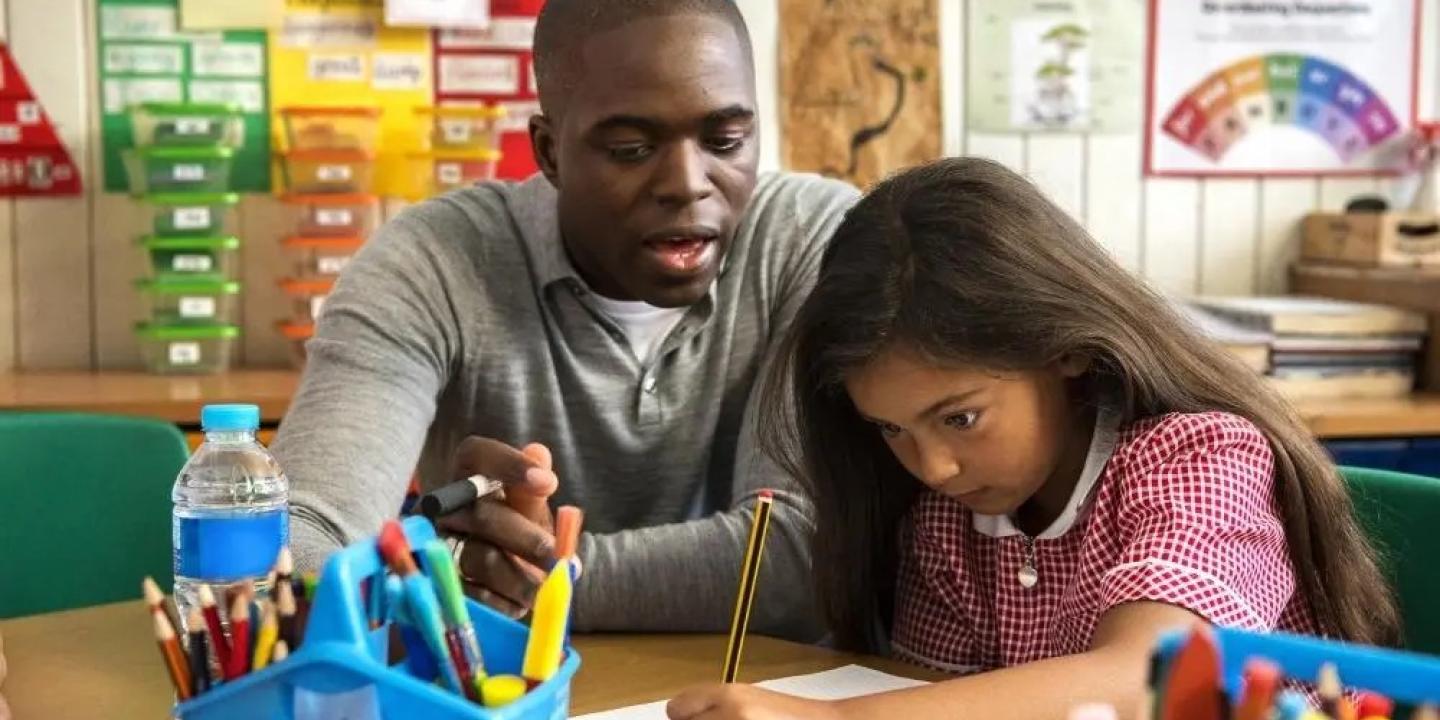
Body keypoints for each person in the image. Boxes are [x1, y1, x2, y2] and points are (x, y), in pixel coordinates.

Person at [666, 158, 1398, 719]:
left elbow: (1152, 677)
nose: (935, 466)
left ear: (1064, 349)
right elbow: (938, 698)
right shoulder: (949, 525)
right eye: (892, 429)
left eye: (960, 417)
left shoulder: (1200, 458)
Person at [271, 0, 858, 637]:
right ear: (550, 153)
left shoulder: (815, 239)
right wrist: (417, 577)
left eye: (725, 142)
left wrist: (517, 578)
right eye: (632, 149)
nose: (688, 183)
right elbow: (300, 544)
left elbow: (804, 558)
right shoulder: (432, 263)